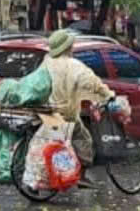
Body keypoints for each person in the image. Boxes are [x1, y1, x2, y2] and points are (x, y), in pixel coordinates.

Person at [40, 29, 119, 182]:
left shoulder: (46, 62)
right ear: (68, 48)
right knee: (84, 139)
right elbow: (92, 83)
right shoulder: (73, 65)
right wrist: (108, 95)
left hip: (47, 111)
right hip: (66, 113)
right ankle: (81, 175)